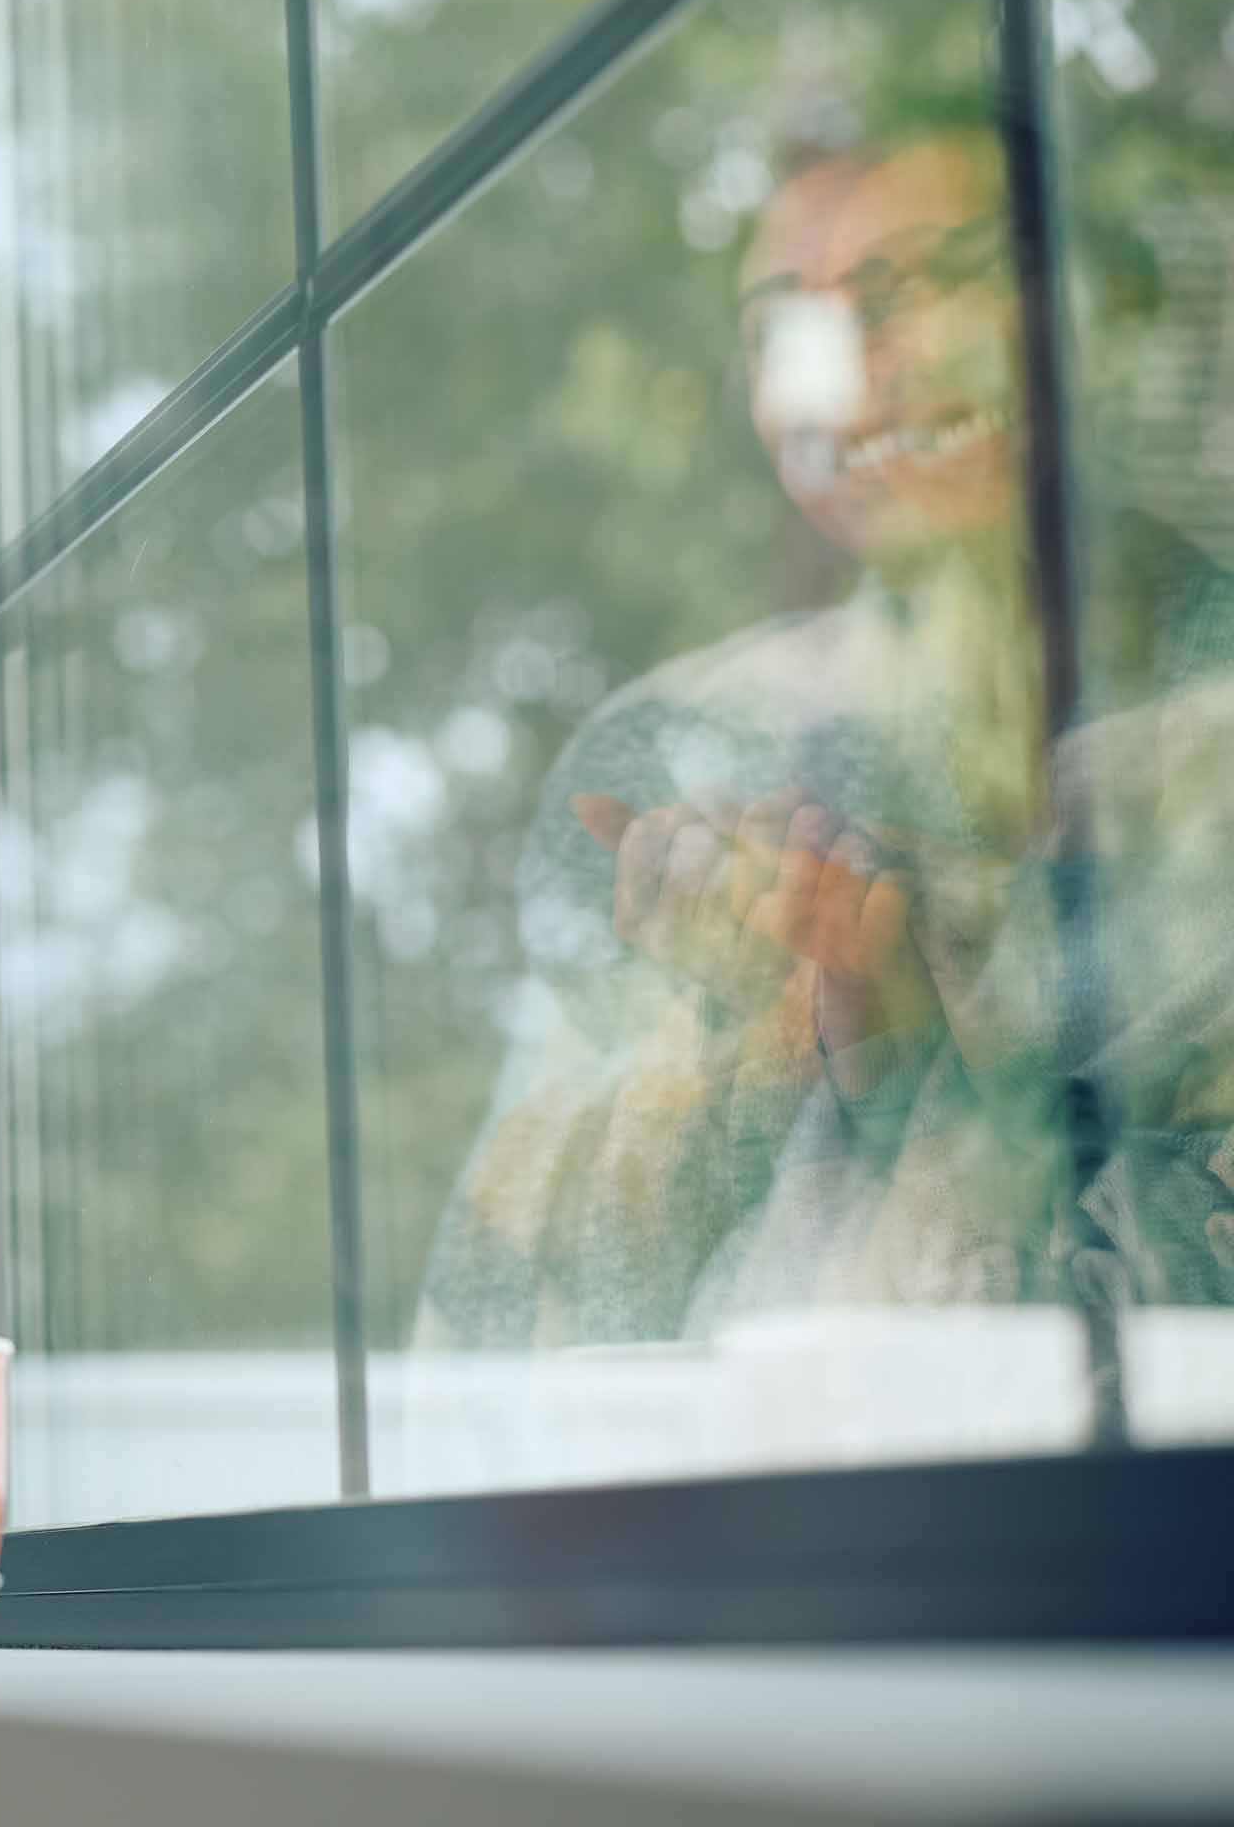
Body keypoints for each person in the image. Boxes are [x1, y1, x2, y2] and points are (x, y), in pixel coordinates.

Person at [415, 124, 1234, 1361]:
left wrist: (900, 1054)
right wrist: (731, 1046)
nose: (841, 369)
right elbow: (497, 1315)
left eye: (918, 284)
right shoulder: (677, 749)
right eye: (778, 330)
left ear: (1093, 309)